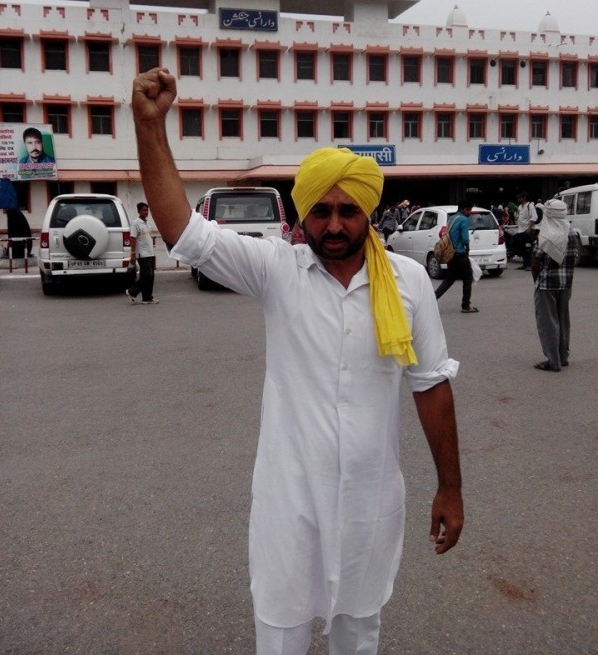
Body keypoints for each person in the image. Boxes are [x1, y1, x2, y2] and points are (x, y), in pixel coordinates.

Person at [131, 68, 464, 655]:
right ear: (303, 212)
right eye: (322, 211)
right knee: (281, 634)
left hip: (369, 502)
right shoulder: (276, 272)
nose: (334, 225)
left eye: (349, 210)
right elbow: (183, 231)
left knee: (358, 635)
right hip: (290, 502)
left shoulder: (409, 284)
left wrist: (451, 489)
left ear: (369, 211)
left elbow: (431, 386)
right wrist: (150, 126)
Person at [531, 199, 578, 372]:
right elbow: (575, 258)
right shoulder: (571, 233)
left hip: (546, 285)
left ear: (548, 215)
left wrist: (536, 281)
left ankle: (553, 361)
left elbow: (535, 263)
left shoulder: (545, 234)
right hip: (566, 284)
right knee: (563, 321)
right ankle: (563, 357)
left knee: (548, 323)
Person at [434, 199, 478, 313]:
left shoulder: (451, 218)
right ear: (462, 209)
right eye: (468, 210)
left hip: (450, 254)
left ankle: (433, 299)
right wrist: (467, 249)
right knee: (468, 278)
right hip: (459, 254)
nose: (469, 212)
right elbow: (464, 239)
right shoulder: (464, 220)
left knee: (449, 279)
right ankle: (465, 306)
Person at [126, 201, 159, 305]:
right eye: (143, 210)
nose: (146, 212)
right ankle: (132, 291)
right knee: (147, 275)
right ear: (139, 211)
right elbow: (133, 238)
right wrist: (133, 253)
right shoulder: (135, 223)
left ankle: (147, 298)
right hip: (142, 254)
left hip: (150, 253)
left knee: (151, 276)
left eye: (146, 210)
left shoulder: (147, 222)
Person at [514, 192, 538, 270]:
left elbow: (534, 218)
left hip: (527, 231)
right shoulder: (519, 207)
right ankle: (525, 264)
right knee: (523, 248)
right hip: (520, 231)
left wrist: (529, 228)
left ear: (524, 198)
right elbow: (518, 217)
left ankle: (529, 265)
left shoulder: (530, 206)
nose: (518, 199)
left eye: (520, 197)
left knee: (528, 248)